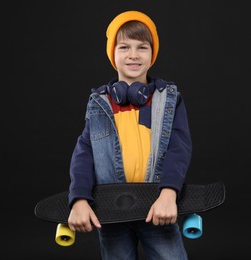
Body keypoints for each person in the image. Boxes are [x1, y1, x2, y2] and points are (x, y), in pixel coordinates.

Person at [67, 10, 192, 260]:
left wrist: (169, 194)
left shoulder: (167, 99)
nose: (133, 55)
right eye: (124, 47)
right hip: (112, 212)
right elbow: (84, 153)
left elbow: (179, 149)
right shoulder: (99, 103)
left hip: (157, 208)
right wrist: (79, 199)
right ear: (112, 53)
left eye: (142, 47)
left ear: (152, 54)